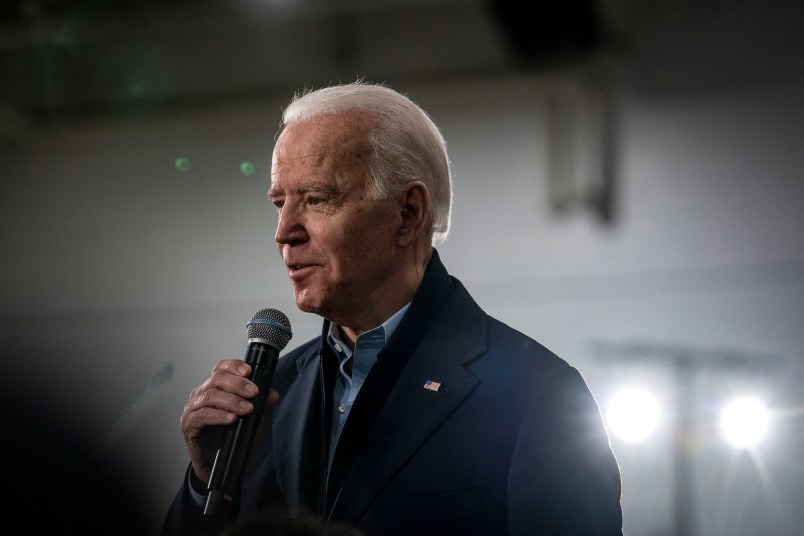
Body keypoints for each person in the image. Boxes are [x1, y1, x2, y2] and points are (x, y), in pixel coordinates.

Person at [161, 81, 623, 535]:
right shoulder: (266, 398)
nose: (284, 232)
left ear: (407, 213)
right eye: (280, 203)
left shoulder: (537, 394)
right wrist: (206, 481)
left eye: (316, 199)